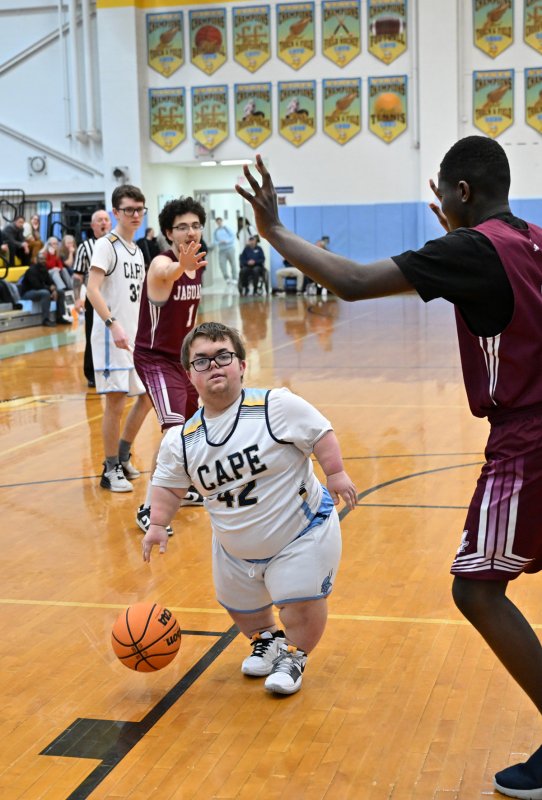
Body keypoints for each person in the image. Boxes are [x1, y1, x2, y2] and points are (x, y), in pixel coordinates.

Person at [236, 139, 542, 796]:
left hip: (530, 437)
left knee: (477, 587)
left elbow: (349, 282)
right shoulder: (532, 239)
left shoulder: (472, 250)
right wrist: (460, 241)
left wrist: (275, 230)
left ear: (459, 193)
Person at [142, 321, 357, 695]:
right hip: (234, 546)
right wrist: (158, 523)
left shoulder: (276, 406)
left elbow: (320, 432)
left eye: (223, 356)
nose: (214, 367)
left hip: (300, 532)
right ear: (189, 374)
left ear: (241, 365)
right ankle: (267, 640)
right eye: (202, 361)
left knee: (300, 603)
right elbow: (168, 486)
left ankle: (294, 654)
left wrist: (335, 473)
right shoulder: (182, 439)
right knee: (241, 607)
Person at [133, 197, 208, 535]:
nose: (190, 231)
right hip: (155, 358)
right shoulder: (162, 264)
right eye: (182, 227)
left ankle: (185, 487)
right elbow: (167, 273)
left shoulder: (199, 263)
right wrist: (181, 265)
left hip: (181, 359)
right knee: (173, 432)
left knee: (193, 429)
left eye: (195, 225)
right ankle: (149, 508)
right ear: (168, 233)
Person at [86, 185, 152, 493]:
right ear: (116, 212)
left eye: (140, 209)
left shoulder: (137, 250)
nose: (136, 215)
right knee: (115, 403)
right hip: (111, 340)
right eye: (129, 210)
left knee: (148, 396)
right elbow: (92, 290)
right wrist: (113, 324)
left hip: (134, 338)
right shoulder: (106, 245)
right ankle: (109, 467)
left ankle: (123, 456)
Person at [72, 209, 112, 388]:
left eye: (106, 219)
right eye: (99, 220)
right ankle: (91, 373)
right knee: (92, 335)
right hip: (93, 298)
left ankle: (119, 370)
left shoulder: (118, 245)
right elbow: (77, 276)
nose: (104, 222)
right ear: (93, 225)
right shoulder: (85, 247)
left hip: (115, 298)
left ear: (110, 223)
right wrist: (76, 298)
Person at [19, 251, 73, 327]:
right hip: (27, 293)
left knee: (60, 292)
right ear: (36, 260)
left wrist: (54, 289)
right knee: (45, 293)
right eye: (41, 259)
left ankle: (60, 317)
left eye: (44, 259)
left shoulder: (44, 269)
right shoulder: (31, 270)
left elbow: (50, 282)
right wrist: (50, 289)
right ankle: (45, 319)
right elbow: (36, 286)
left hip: (40, 290)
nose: (43, 261)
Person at [213, 217, 237, 285]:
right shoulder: (216, 231)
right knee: (222, 264)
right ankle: (227, 278)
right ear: (216, 223)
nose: (219, 223)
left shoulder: (226, 228)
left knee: (233, 263)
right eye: (217, 222)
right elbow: (214, 241)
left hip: (230, 248)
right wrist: (220, 242)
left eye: (220, 221)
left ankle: (234, 278)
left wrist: (227, 241)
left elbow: (233, 236)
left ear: (222, 221)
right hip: (222, 250)